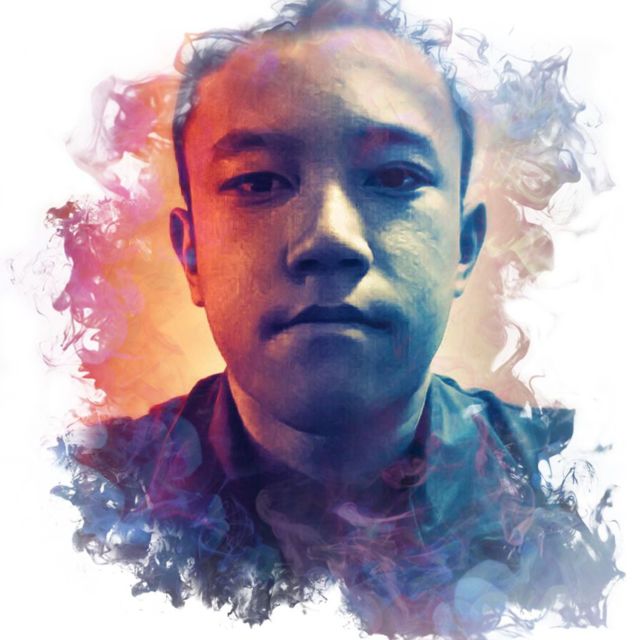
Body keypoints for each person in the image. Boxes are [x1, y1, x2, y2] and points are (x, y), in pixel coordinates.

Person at [56, 1, 619, 637]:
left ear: (463, 250)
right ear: (191, 256)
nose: (328, 236)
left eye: (395, 176)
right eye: (257, 182)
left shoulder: (590, 490)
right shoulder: (69, 504)